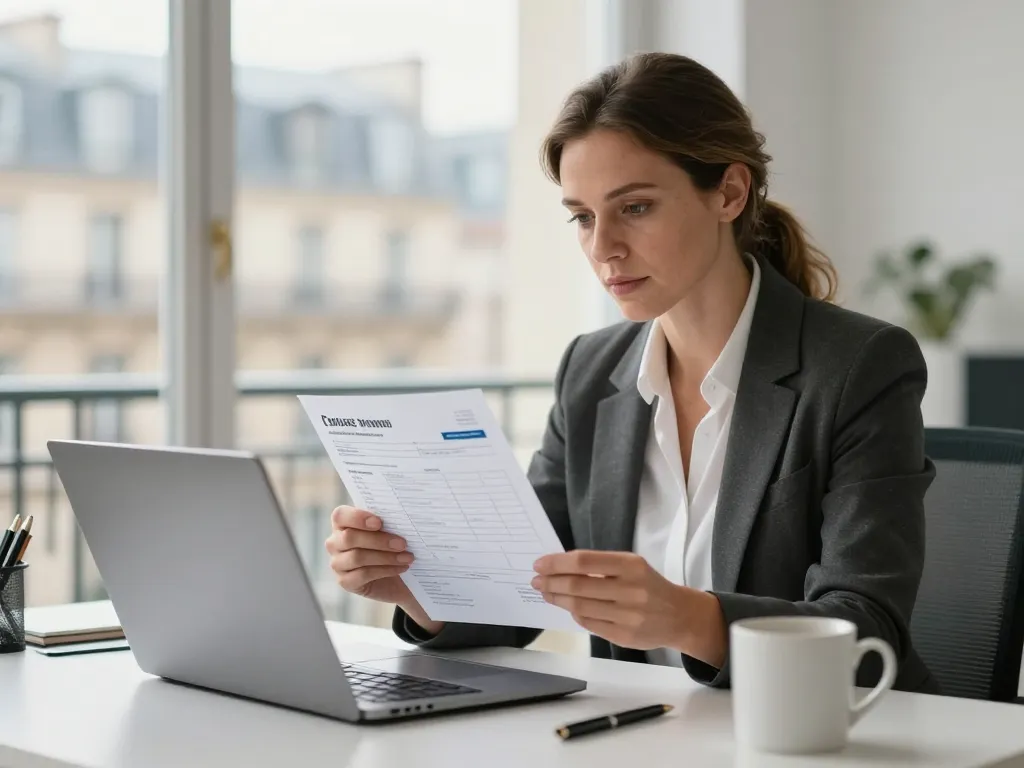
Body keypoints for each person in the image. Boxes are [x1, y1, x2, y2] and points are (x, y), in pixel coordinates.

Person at [325, 52, 938, 693]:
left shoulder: (859, 367)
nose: (602, 247)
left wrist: (689, 618)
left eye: (635, 207)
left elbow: (867, 637)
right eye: (583, 217)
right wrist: (421, 588)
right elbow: (522, 590)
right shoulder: (591, 372)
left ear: (729, 192)